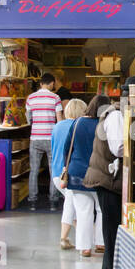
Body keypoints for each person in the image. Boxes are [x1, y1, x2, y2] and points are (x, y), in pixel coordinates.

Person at [83, 94, 125, 269]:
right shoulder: (116, 116)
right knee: (114, 238)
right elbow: (118, 148)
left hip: (105, 180)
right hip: (108, 182)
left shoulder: (111, 115)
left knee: (112, 236)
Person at [57, 96, 107, 258]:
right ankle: (100, 243)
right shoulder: (104, 125)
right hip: (100, 173)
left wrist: (67, 166)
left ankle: (85, 248)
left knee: (83, 212)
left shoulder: (77, 123)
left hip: (77, 173)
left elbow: (67, 149)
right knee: (101, 210)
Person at [50, 98, 86, 249]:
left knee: (73, 203)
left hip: (57, 173)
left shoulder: (57, 126)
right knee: (71, 204)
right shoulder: (78, 126)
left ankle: (82, 237)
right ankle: (65, 238)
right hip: (70, 173)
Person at [26, 73, 61, 209]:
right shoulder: (55, 98)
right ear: (52, 83)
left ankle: (33, 202)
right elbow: (60, 120)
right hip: (51, 138)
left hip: (35, 138)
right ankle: (53, 201)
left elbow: (29, 119)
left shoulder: (31, 98)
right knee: (54, 170)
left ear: (41, 83)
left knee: (33, 170)